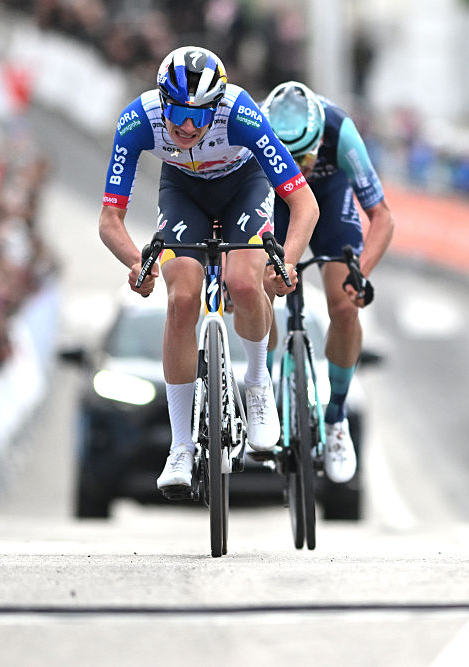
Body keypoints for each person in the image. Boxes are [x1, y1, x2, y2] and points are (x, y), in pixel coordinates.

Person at [98, 46, 319, 494]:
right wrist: (137, 263)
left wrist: (288, 263)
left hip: (245, 186)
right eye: (178, 113)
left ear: (216, 108)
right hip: (183, 191)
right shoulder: (138, 120)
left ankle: (257, 383)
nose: (186, 127)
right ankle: (180, 445)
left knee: (244, 282)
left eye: (199, 116)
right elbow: (109, 221)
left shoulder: (241, 114)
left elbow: (304, 204)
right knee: (181, 300)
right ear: (162, 102)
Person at [260, 81, 394, 484]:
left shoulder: (339, 129)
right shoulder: (254, 127)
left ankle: (336, 418)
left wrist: (361, 273)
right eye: (288, 157)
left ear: (321, 139)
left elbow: (382, 217)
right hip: (275, 201)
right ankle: (262, 393)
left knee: (345, 305)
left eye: (306, 156)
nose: (298, 166)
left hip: (330, 199)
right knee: (258, 287)